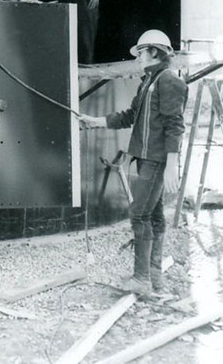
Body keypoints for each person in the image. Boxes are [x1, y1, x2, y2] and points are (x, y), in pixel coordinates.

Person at [79, 29, 187, 296]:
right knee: (154, 214)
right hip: (147, 158)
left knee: (139, 214)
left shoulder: (169, 82)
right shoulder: (148, 82)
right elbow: (130, 116)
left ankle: (142, 279)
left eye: (140, 52)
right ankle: (153, 277)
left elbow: (175, 126)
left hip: (157, 160)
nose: (138, 57)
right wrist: (96, 122)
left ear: (153, 52)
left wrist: (172, 164)